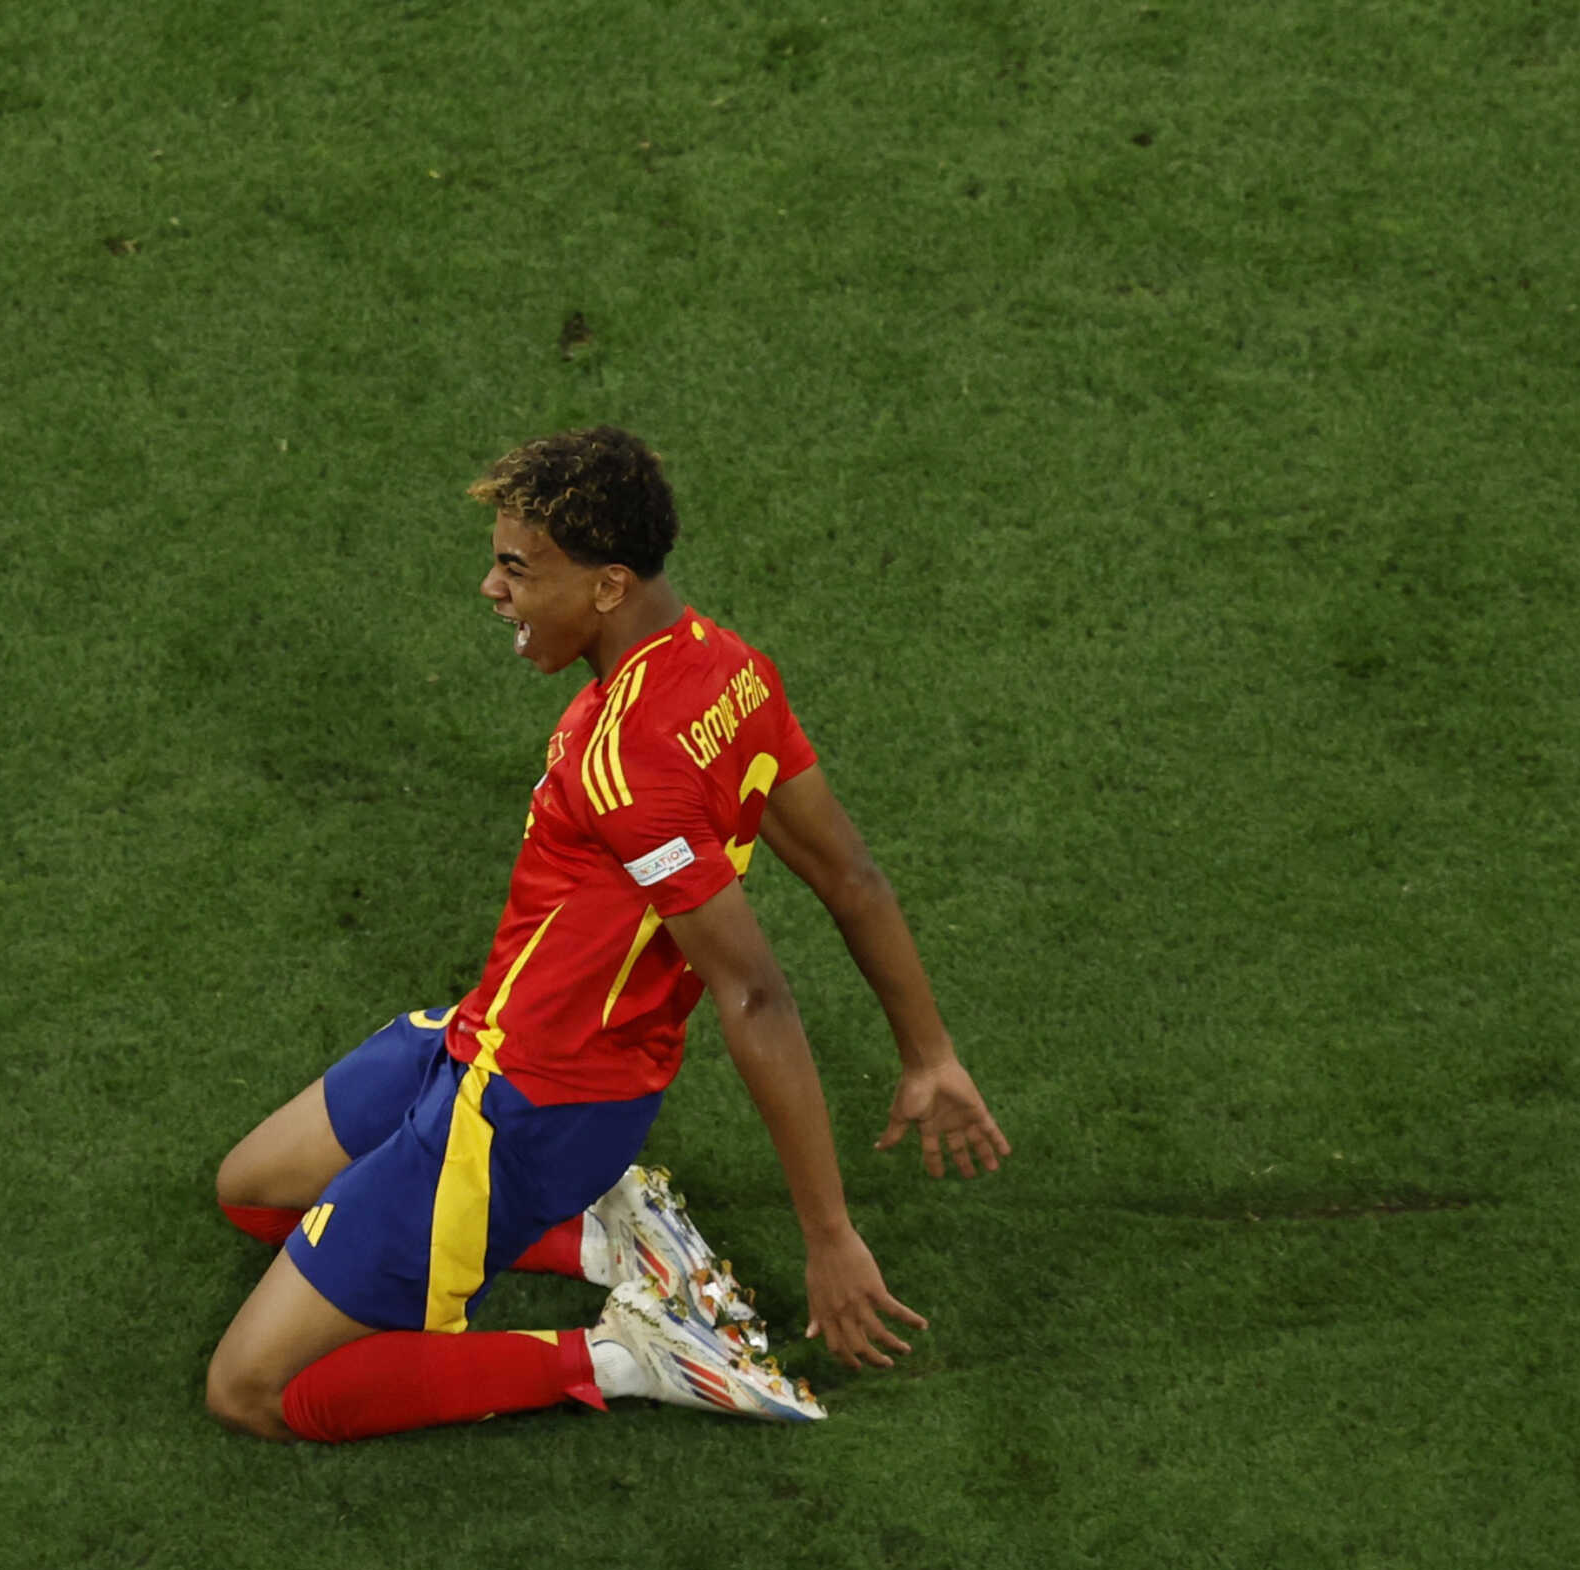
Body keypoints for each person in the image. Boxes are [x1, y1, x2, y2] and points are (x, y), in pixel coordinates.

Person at [204, 427, 1009, 1442]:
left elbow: (754, 990)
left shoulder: (624, 759)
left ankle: (636, 1351)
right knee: (252, 1196)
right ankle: (606, 1237)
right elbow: (851, 875)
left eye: (515, 569)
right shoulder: (730, 670)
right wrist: (927, 1052)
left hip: (526, 1105)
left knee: (251, 1391)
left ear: (606, 586)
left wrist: (830, 1234)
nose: (491, 591)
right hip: (489, 1038)